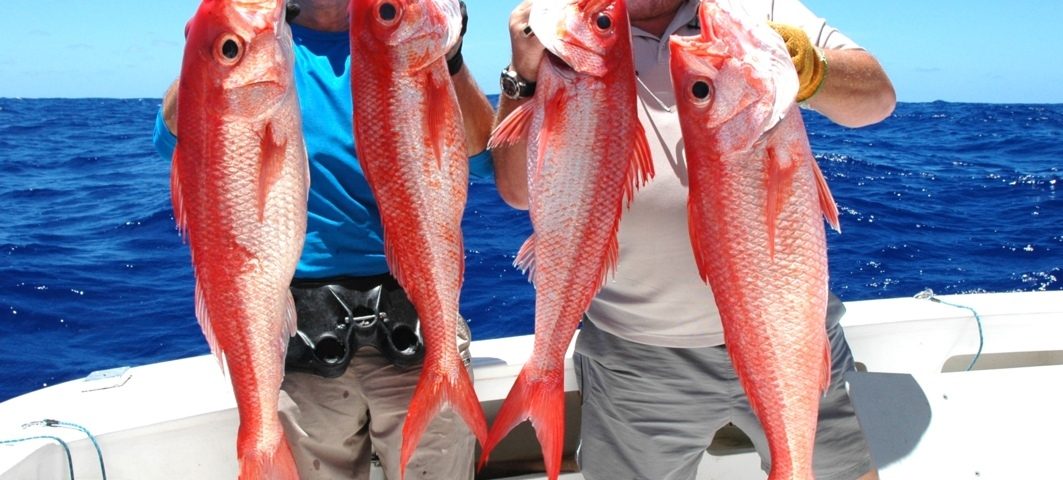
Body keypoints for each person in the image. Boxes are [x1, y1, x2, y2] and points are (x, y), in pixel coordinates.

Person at [492, 1, 895, 479]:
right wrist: (523, 76)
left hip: (790, 333)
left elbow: (878, 99)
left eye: (700, 88)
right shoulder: (567, 27)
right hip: (636, 357)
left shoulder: (747, 13)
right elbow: (518, 192)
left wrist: (810, 68)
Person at [152, 1, 495, 479]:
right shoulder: (270, 45)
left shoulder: (396, 34)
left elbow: (484, 159)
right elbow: (178, 140)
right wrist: (213, 48)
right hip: (301, 334)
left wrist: (451, 56)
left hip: (417, 314)